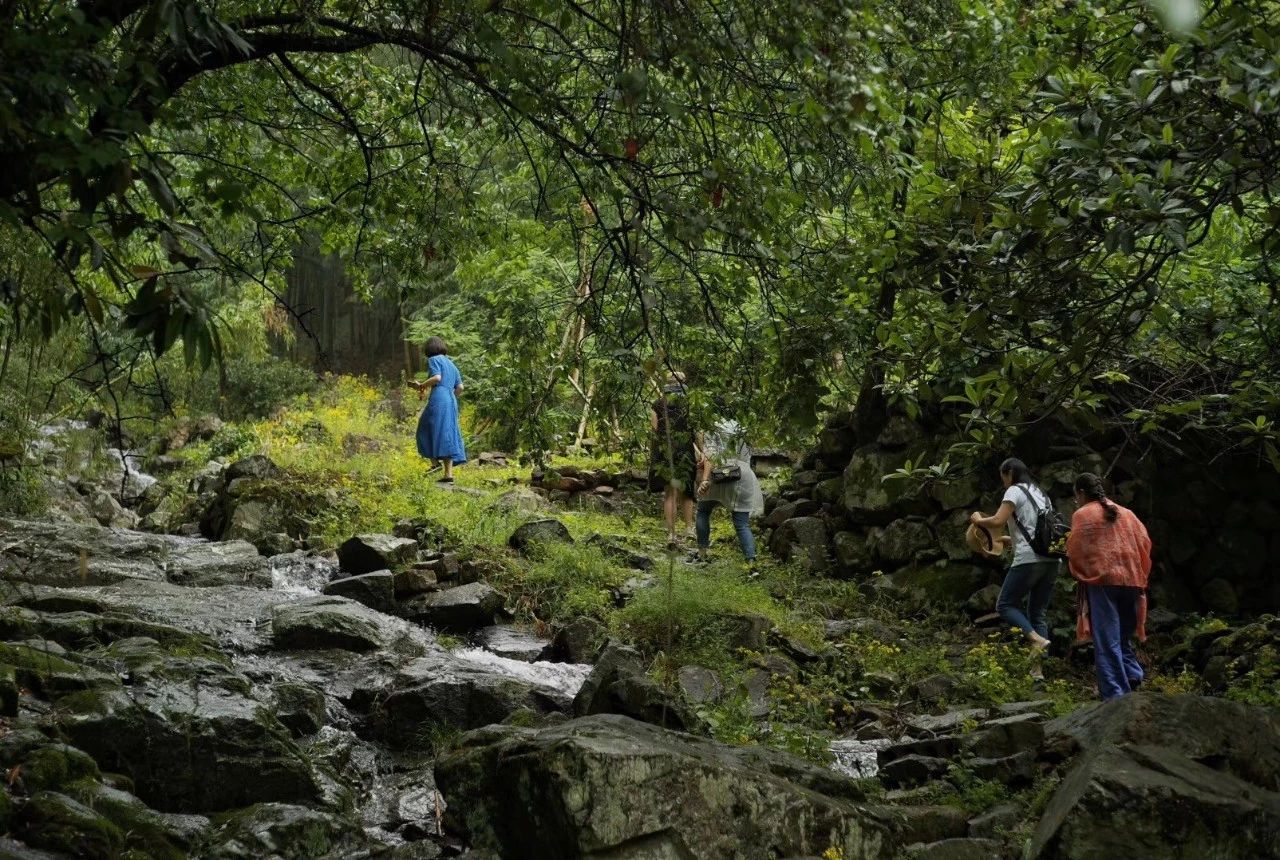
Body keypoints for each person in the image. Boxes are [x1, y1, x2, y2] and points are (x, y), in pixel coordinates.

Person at [1066, 472, 1152, 700]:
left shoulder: (1083, 514)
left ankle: (1115, 694)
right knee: (1122, 637)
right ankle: (1132, 675)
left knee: (1107, 640)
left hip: (1103, 581)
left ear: (1081, 493)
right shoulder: (1128, 514)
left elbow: (1075, 549)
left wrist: (1082, 572)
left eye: (1077, 496)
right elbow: (1145, 544)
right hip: (1132, 580)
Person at [969, 458, 1060, 673]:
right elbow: (1033, 530)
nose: (1003, 483)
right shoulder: (1041, 494)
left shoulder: (1014, 491)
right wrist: (1008, 540)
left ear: (1009, 473)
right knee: (1037, 614)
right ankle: (1037, 673)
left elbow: (998, 521)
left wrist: (978, 520)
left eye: (1003, 477)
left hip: (1029, 560)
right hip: (1052, 559)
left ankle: (1036, 639)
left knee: (1005, 605)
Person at [694, 418, 765, 571]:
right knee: (742, 524)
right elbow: (747, 456)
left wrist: (705, 479)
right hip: (741, 473)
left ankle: (702, 554)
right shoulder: (741, 427)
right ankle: (752, 563)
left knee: (703, 511)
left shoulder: (711, 426)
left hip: (717, 472)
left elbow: (710, 455)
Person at [649, 373, 697, 545]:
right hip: (685, 449)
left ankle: (671, 534)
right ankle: (689, 529)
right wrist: (702, 451)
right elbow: (695, 429)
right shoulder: (689, 402)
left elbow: (654, 430)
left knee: (670, 493)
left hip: (665, 450)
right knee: (687, 491)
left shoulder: (657, 404)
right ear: (682, 383)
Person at [411, 336, 466, 483]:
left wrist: (422, 385)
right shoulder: (452, 364)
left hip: (440, 397)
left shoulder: (434, 360)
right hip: (451, 399)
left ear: (430, 349)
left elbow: (436, 378)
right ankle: (448, 475)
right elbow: (460, 388)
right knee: (447, 432)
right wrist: (449, 397)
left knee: (423, 428)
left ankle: (435, 464)